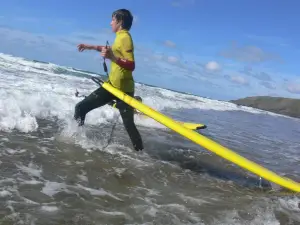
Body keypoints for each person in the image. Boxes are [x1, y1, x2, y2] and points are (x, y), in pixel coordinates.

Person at [74, 9, 144, 151]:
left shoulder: (125, 38)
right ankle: (78, 139)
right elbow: (110, 49)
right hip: (112, 87)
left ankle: (140, 154)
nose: (110, 22)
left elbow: (131, 65)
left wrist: (113, 58)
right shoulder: (119, 37)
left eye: (113, 19)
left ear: (120, 22)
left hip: (123, 91)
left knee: (129, 125)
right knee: (81, 108)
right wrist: (90, 46)